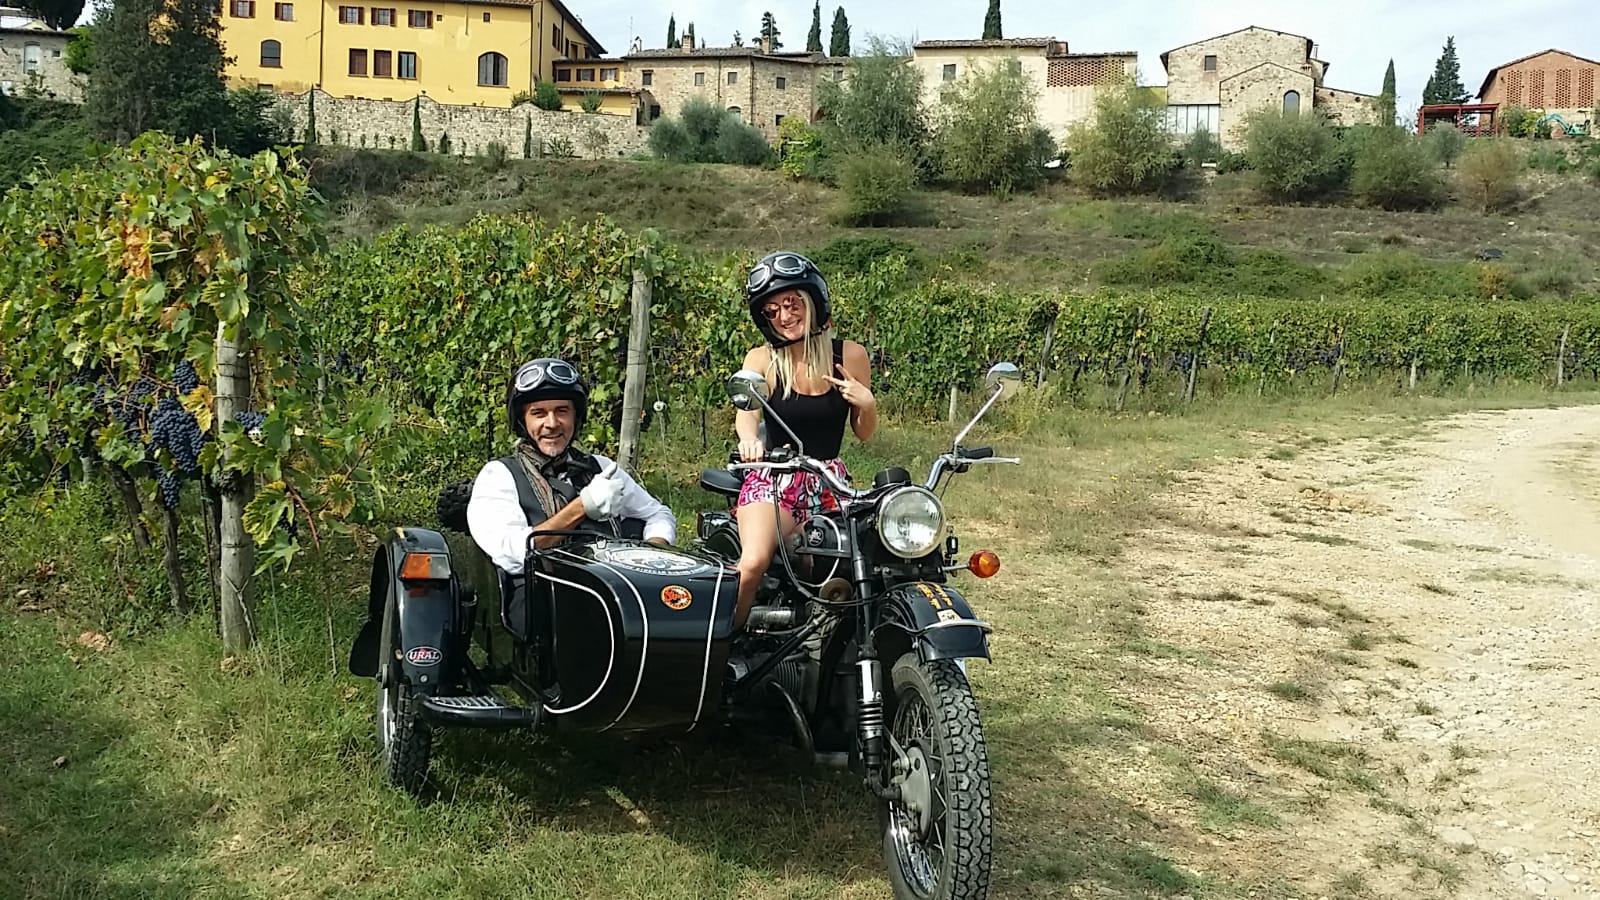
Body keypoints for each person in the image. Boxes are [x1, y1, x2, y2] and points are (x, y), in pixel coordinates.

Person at [733, 251, 877, 625]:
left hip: (829, 481)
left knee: (856, 564)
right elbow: (746, 413)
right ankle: (725, 641)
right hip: (775, 479)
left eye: (792, 303)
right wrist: (749, 440)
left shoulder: (850, 355)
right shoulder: (761, 359)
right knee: (754, 561)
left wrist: (867, 403)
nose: (785, 316)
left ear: (812, 301)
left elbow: (864, 432)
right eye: (773, 311)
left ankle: (829, 641)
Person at [467, 356, 676, 574]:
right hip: (543, 593)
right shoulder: (499, 476)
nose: (552, 423)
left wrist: (652, 554)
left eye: (562, 411)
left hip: (611, 588)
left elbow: (658, 514)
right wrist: (582, 506)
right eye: (538, 413)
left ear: (576, 417)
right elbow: (512, 554)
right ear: (522, 421)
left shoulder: (601, 468)